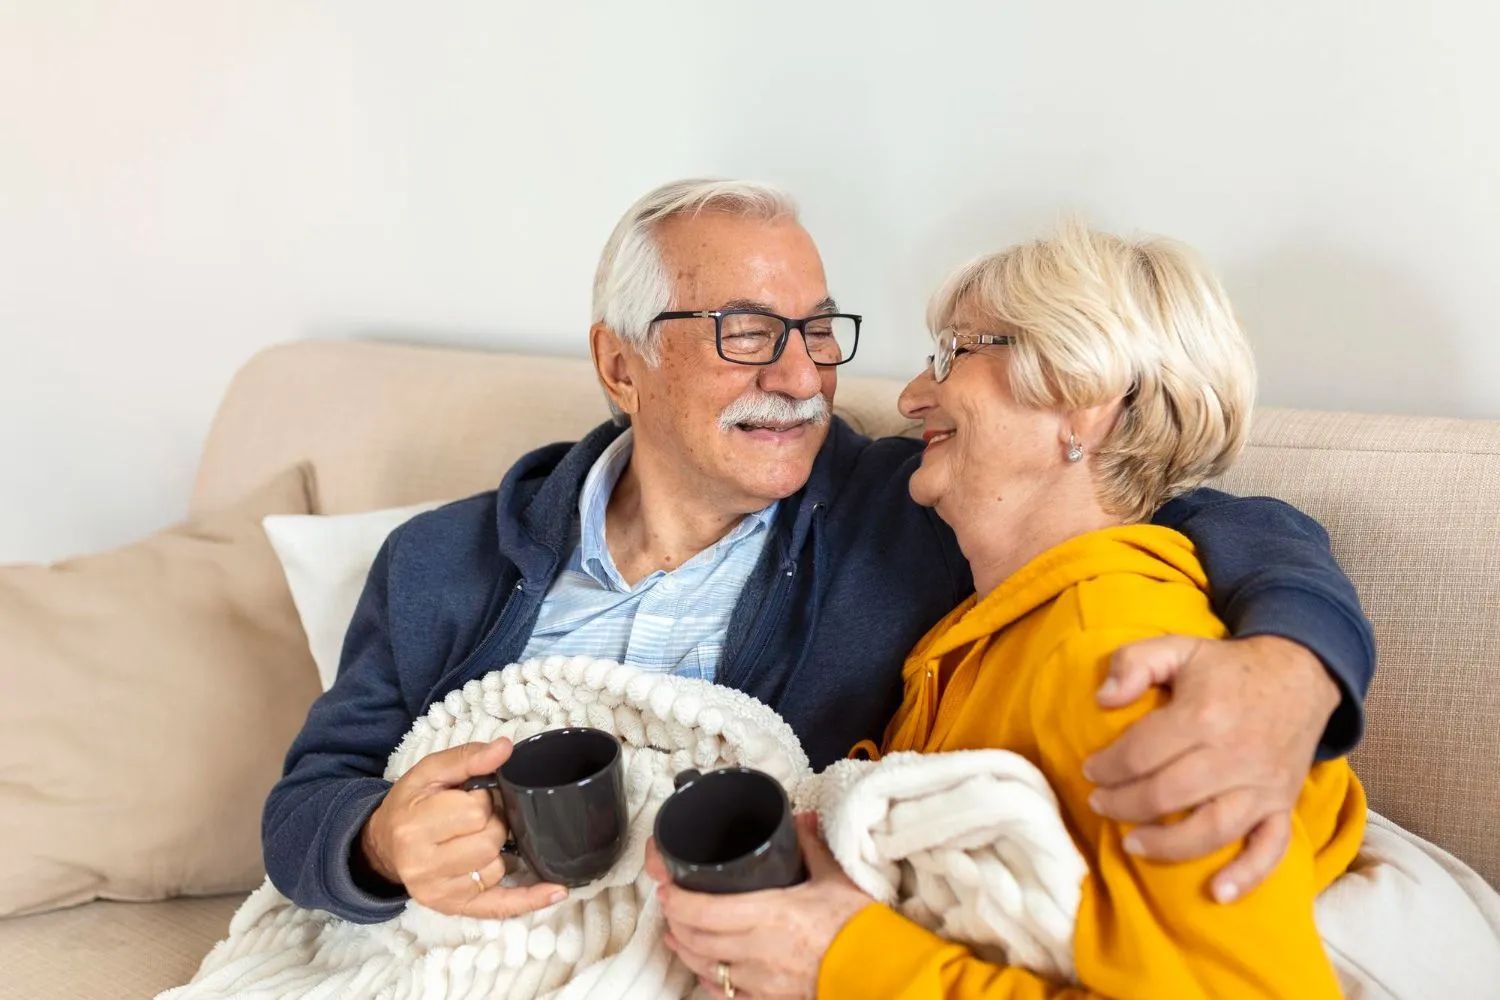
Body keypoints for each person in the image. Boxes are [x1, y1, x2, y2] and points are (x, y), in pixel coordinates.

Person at [262, 180, 1373, 926]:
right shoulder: (438, 561)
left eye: (818, 331)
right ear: (620, 364)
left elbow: (1185, 511)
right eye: (747, 332)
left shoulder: (907, 505)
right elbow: (310, 795)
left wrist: (1294, 666)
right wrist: (377, 837)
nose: (800, 377)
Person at [649, 223, 1366, 999]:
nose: (911, 396)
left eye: (956, 353)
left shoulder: (1120, 661)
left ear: (1083, 399)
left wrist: (847, 962)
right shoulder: (995, 624)